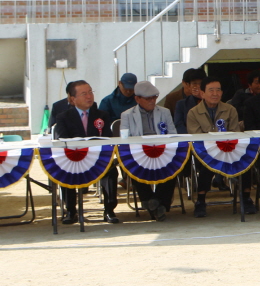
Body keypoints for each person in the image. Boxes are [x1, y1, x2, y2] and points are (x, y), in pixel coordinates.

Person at [187, 77, 256, 216]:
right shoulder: (193, 113)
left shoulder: (230, 109)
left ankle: (246, 198)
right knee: (207, 164)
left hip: (229, 150)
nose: (215, 94)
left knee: (245, 161)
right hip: (206, 151)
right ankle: (200, 201)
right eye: (211, 90)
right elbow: (196, 138)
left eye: (218, 90)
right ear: (202, 93)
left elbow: (235, 133)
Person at [54, 81, 119, 224]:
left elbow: (107, 139)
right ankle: (71, 211)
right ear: (72, 99)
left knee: (111, 170)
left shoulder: (102, 115)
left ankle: (109, 210)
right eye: (84, 94)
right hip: (75, 158)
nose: (89, 96)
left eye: (90, 92)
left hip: (96, 158)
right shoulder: (63, 117)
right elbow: (62, 140)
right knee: (65, 169)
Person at [120, 81, 175, 221]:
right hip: (139, 152)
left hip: (162, 151)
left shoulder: (164, 112)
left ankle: (153, 202)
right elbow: (125, 139)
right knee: (135, 165)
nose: (152, 101)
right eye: (148, 98)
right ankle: (157, 204)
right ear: (137, 99)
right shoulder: (127, 115)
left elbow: (173, 134)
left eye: (154, 97)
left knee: (174, 165)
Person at [173, 67, 206, 134]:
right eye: (194, 83)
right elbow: (179, 124)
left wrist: (203, 97)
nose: (198, 86)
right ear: (188, 84)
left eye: (200, 83)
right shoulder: (181, 104)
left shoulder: (211, 100)